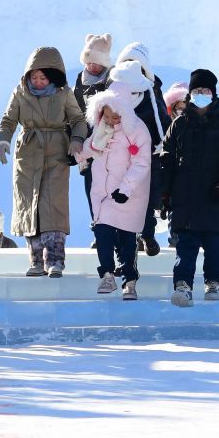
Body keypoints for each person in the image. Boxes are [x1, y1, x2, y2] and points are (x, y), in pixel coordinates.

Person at [156, 69, 219, 306]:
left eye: (204, 91)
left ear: (213, 93)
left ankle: (213, 283)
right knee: (184, 247)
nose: (200, 95)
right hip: (184, 198)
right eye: (196, 91)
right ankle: (183, 287)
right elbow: (165, 158)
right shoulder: (179, 124)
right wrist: (164, 193)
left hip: (215, 198)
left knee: (215, 247)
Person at [0, 46, 89, 278]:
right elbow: (8, 120)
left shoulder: (64, 93)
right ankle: (36, 261)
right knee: (31, 207)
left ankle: (55, 260)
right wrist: (3, 141)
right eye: (34, 77)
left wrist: (77, 140)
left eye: (42, 77)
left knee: (53, 206)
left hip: (57, 151)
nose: (37, 82)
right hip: (27, 153)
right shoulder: (20, 92)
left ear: (53, 76)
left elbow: (78, 119)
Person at [78, 63, 154, 299]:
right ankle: (107, 274)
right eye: (107, 115)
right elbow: (91, 148)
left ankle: (129, 280)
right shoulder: (101, 128)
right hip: (102, 193)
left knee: (127, 240)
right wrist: (77, 153)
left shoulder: (137, 130)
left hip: (127, 195)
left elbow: (142, 162)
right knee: (102, 233)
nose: (111, 120)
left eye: (115, 116)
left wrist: (126, 188)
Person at [115, 41, 168, 257]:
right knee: (121, 196)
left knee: (145, 197)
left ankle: (147, 234)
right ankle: (128, 239)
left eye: (135, 63)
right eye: (127, 62)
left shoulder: (151, 88)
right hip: (120, 154)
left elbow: (160, 118)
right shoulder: (114, 88)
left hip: (147, 152)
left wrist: (162, 144)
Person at [71, 33, 113, 220]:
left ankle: (119, 230)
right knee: (91, 188)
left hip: (109, 143)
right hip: (88, 142)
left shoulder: (112, 79)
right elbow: (74, 109)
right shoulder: (81, 79)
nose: (92, 66)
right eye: (88, 62)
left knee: (112, 188)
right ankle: (98, 225)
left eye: (96, 62)